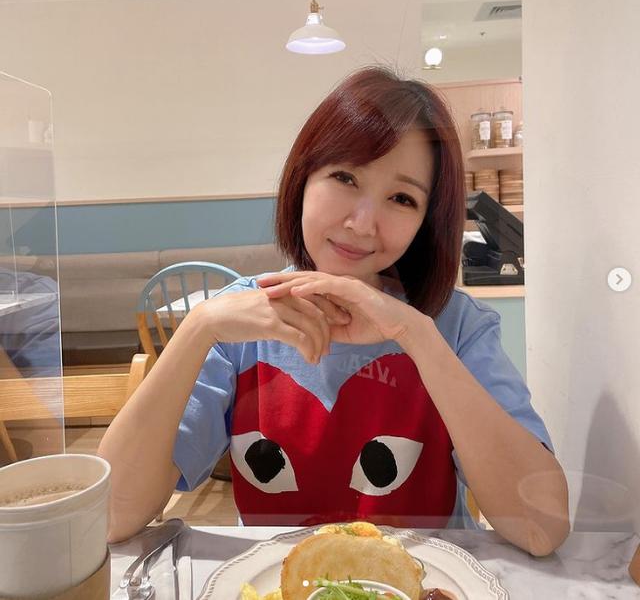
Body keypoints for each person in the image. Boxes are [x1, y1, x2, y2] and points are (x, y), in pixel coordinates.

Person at [98, 66, 569, 555]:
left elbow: (542, 529)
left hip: (422, 582)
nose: (362, 224)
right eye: (345, 177)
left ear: (425, 222)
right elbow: (112, 515)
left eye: (402, 198)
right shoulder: (238, 326)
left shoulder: (457, 326)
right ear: (303, 177)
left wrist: (417, 337)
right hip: (277, 580)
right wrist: (199, 327)